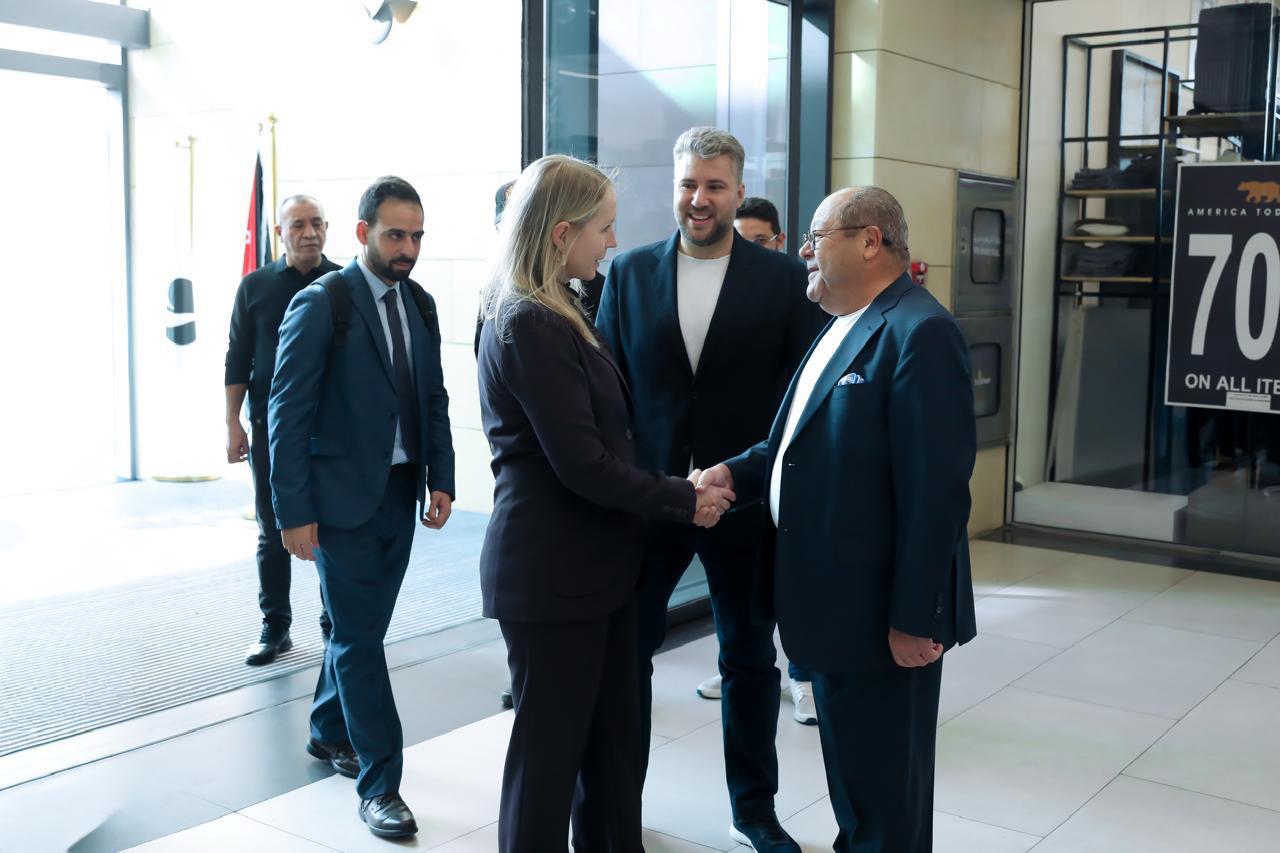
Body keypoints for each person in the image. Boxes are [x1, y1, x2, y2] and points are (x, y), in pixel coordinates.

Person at [700, 186, 977, 852]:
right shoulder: (842, 325)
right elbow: (794, 446)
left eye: (816, 237)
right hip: (830, 610)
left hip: (879, 620)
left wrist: (915, 617)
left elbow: (935, 492)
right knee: (857, 793)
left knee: (884, 805)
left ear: (870, 240)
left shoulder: (920, 332)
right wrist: (735, 473)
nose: (803, 251)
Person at [476, 154, 735, 853]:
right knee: (548, 760)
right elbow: (583, 465)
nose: (614, 242)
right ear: (562, 232)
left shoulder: (559, 308)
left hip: (599, 570)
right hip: (553, 574)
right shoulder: (528, 321)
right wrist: (683, 497)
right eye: (604, 228)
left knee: (611, 751)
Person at [596, 127, 826, 852]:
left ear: (739, 190)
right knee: (626, 654)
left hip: (743, 501)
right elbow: (608, 395)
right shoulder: (628, 274)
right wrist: (641, 483)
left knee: (749, 657)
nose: (699, 199)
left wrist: (739, 475)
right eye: (688, 184)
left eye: (715, 186)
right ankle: (617, 807)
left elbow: (799, 401)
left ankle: (753, 811)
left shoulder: (783, 281)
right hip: (651, 499)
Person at [268, 176, 456, 839]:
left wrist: (441, 475)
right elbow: (286, 413)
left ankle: (327, 728)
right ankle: (381, 784)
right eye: (395, 235)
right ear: (362, 233)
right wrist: (291, 511)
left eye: (417, 236)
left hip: (400, 494)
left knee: (359, 630)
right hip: (339, 503)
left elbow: (433, 396)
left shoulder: (421, 303)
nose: (408, 249)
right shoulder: (325, 302)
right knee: (360, 639)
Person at [697, 194, 816, 726]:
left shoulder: (794, 286)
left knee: (778, 595)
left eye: (760, 240)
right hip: (714, 476)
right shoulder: (712, 289)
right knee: (742, 614)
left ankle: (803, 677)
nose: (747, 249)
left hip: (769, 472)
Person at [224, 194, 339, 666]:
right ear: (280, 232)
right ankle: (275, 627)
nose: (309, 233)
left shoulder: (343, 284)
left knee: (333, 530)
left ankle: (335, 624)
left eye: (317, 223)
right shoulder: (255, 287)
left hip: (331, 433)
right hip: (270, 429)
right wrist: (232, 423)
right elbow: (237, 358)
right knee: (272, 529)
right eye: (298, 225)